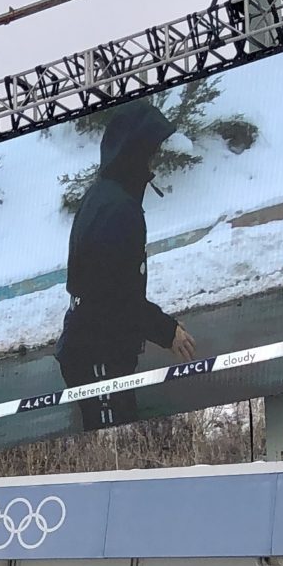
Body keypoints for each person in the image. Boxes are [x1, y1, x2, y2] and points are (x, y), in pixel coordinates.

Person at [56, 99, 199, 431]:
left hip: (95, 352)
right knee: (113, 453)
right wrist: (167, 331)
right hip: (97, 357)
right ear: (135, 155)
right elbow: (113, 299)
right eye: (151, 152)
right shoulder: (118, 211)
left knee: (119, 448)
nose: (154, 162)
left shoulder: (103, 197)